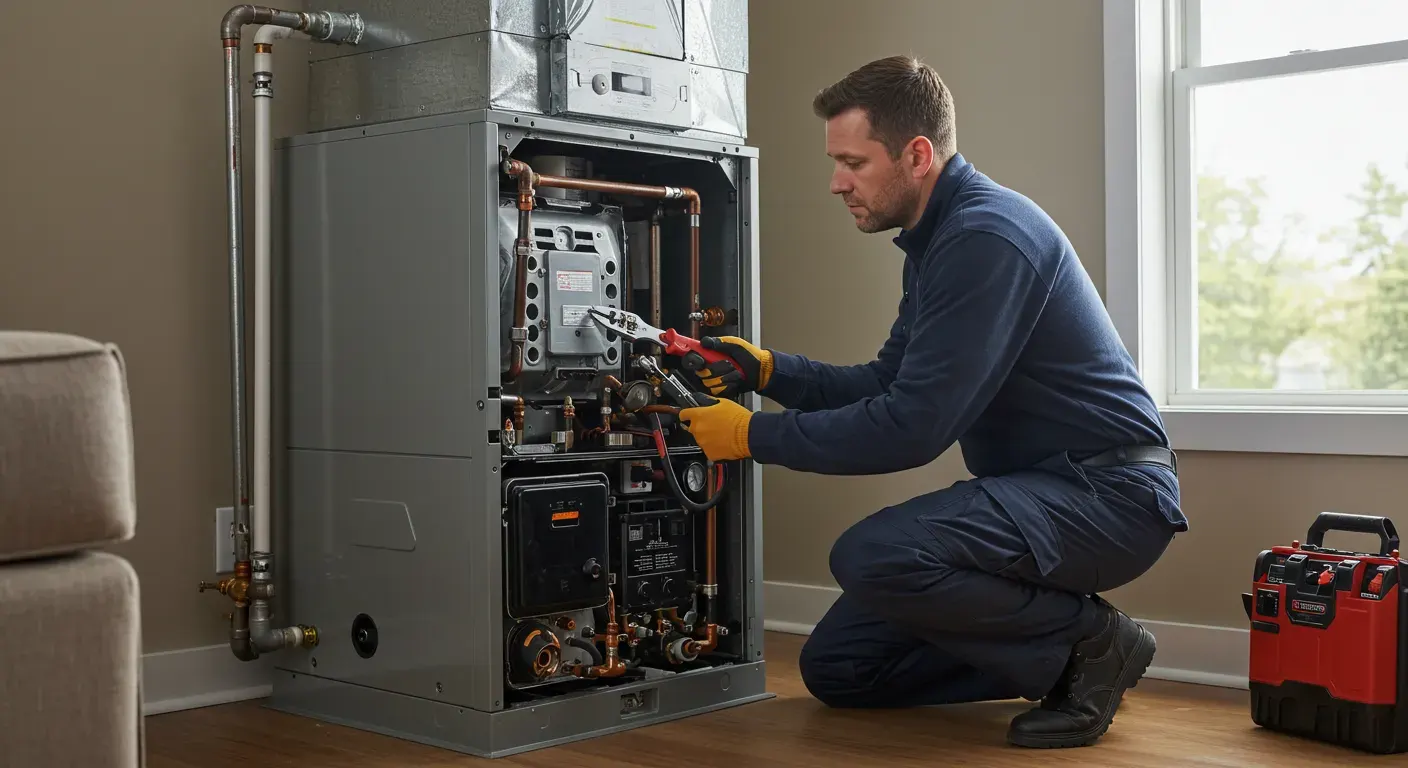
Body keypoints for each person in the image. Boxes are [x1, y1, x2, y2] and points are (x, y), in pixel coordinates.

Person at [676, 55, 1187, 749]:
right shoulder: (941, 241)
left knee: (872, 555)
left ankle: (1092, 643)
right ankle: (1064, 659)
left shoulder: (986, 239)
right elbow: (889, 383)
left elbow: (909, 430)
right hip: (1046, 489)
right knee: (841, 669)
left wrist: (750, 438)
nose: (837, 183)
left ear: (917, 154)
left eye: (853, 162)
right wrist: (767, 371)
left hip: (1107, 494)